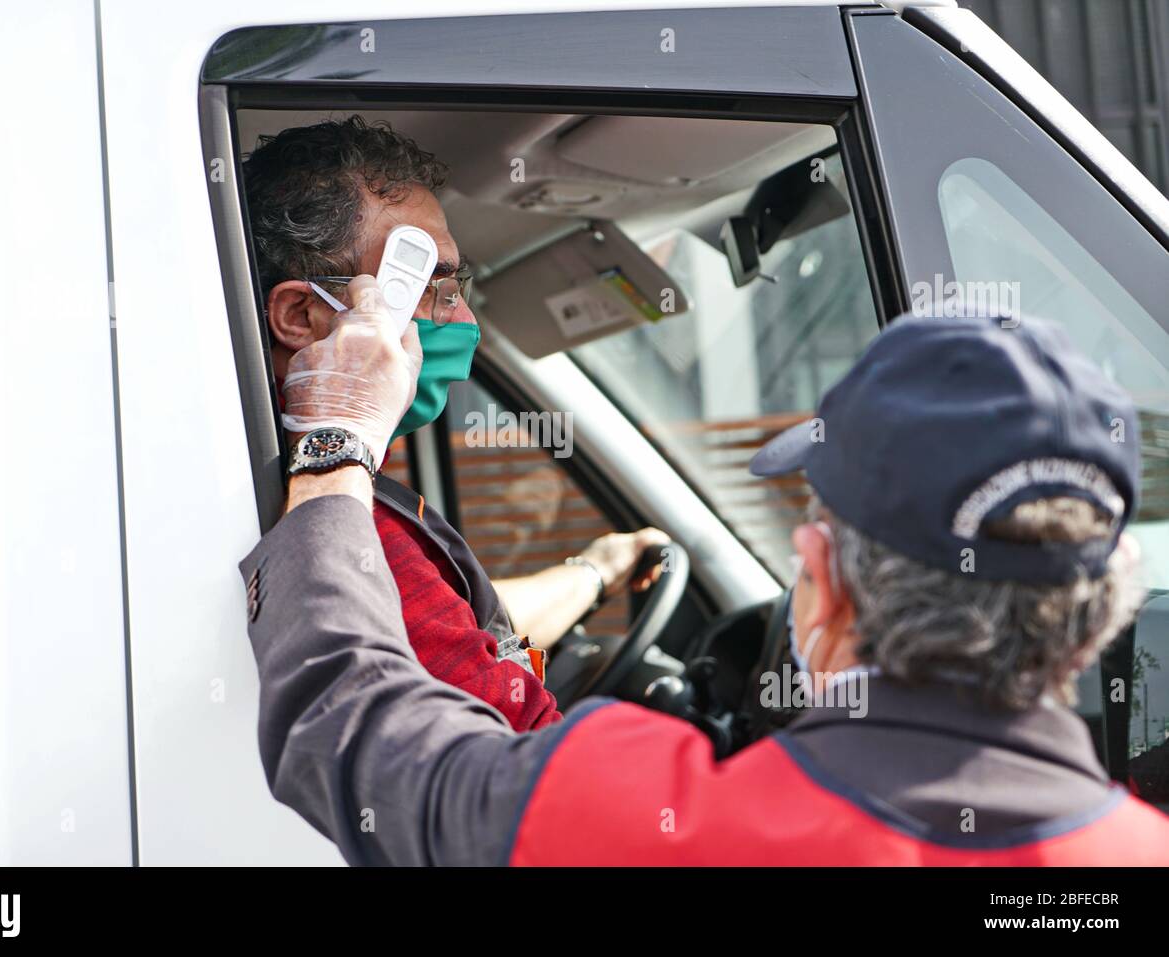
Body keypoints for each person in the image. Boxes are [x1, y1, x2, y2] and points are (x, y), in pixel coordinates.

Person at [240, 293, 1169, 866]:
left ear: (823, 584)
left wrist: (333, 444)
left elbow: (346, 718)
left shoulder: (650, 824)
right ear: (1103, 608)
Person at [243, 117, 666, 731]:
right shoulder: (347, 530)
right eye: (431, 284)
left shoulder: (332, 508)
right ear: (301, 316)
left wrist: (596, 570)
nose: (465, 318)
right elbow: (524, 769)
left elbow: (464, 632)